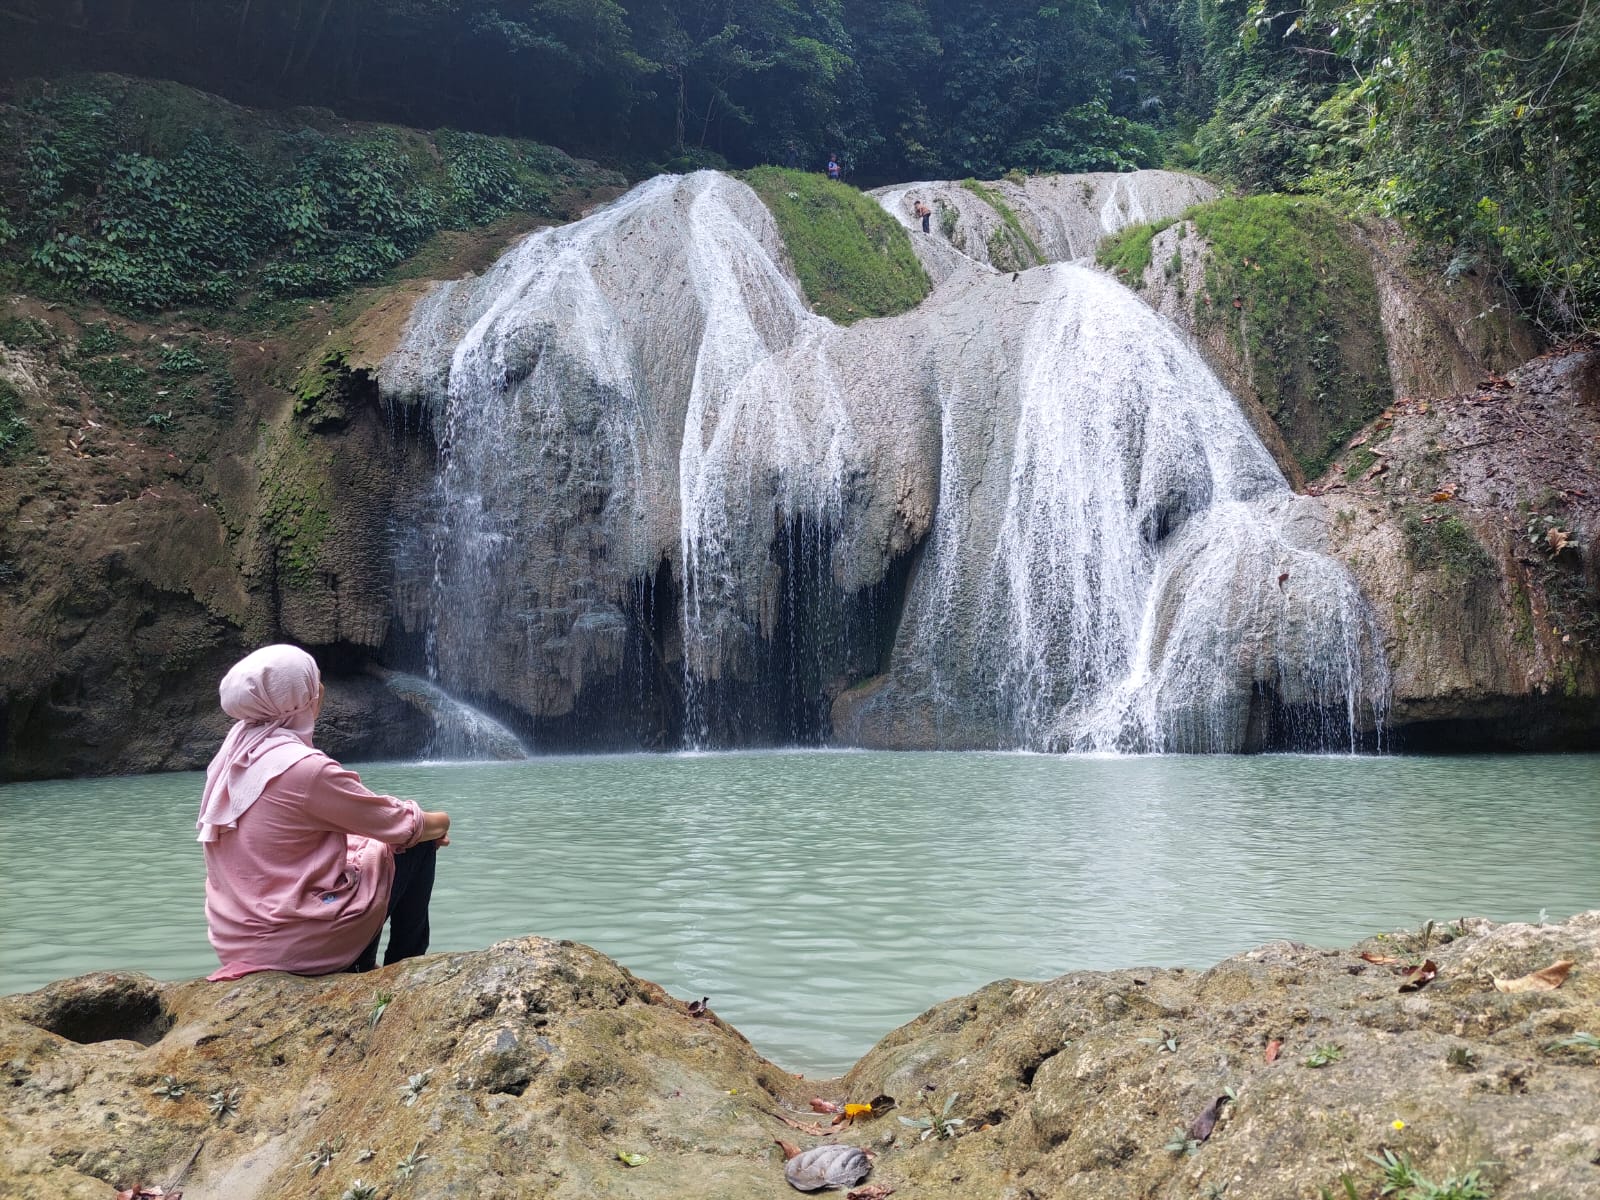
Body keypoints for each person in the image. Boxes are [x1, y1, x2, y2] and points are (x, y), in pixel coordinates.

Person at [197, 644, 451, 980]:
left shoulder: (234, 752)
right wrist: (440, 823)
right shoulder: (305, 769)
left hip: (239, 939)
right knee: (414, 845)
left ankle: (361, 962)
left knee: (373, 849)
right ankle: (403, 974)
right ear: (299, 697)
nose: (321, 689)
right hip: (293, 942)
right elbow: (403, 824)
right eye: (312, 681)